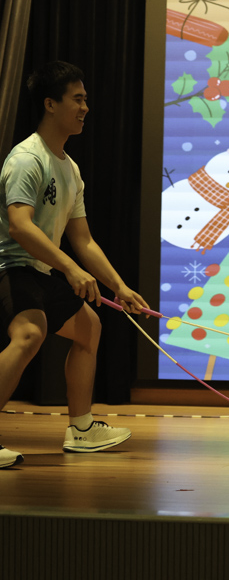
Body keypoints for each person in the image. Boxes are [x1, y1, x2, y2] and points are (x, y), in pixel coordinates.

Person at [0, 61, 147, 469]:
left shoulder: (69, 168)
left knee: (89, 328)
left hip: (40, 268)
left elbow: (83, 240)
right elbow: (19, 226)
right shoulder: (27, 159)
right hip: (9, 266)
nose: (85, 108)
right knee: (30, 334)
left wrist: (119, 286)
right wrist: (70, 269)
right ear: (50, 104)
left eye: (86, 100)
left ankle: (81, 429)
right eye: (77, 99)